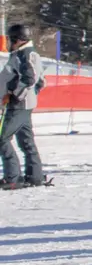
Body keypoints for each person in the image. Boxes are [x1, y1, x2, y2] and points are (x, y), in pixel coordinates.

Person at [0, 26, 48, 189]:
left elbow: (30, 79)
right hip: (24, 104)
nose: (8, 42)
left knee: (2, 138)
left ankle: (12, 177)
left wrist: (13, 95)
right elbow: (40, 81)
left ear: (17, 40)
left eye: (10, 39)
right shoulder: (24, 54)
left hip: (19, 104)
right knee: (26, 140)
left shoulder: (24, 55)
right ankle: (35, 176)